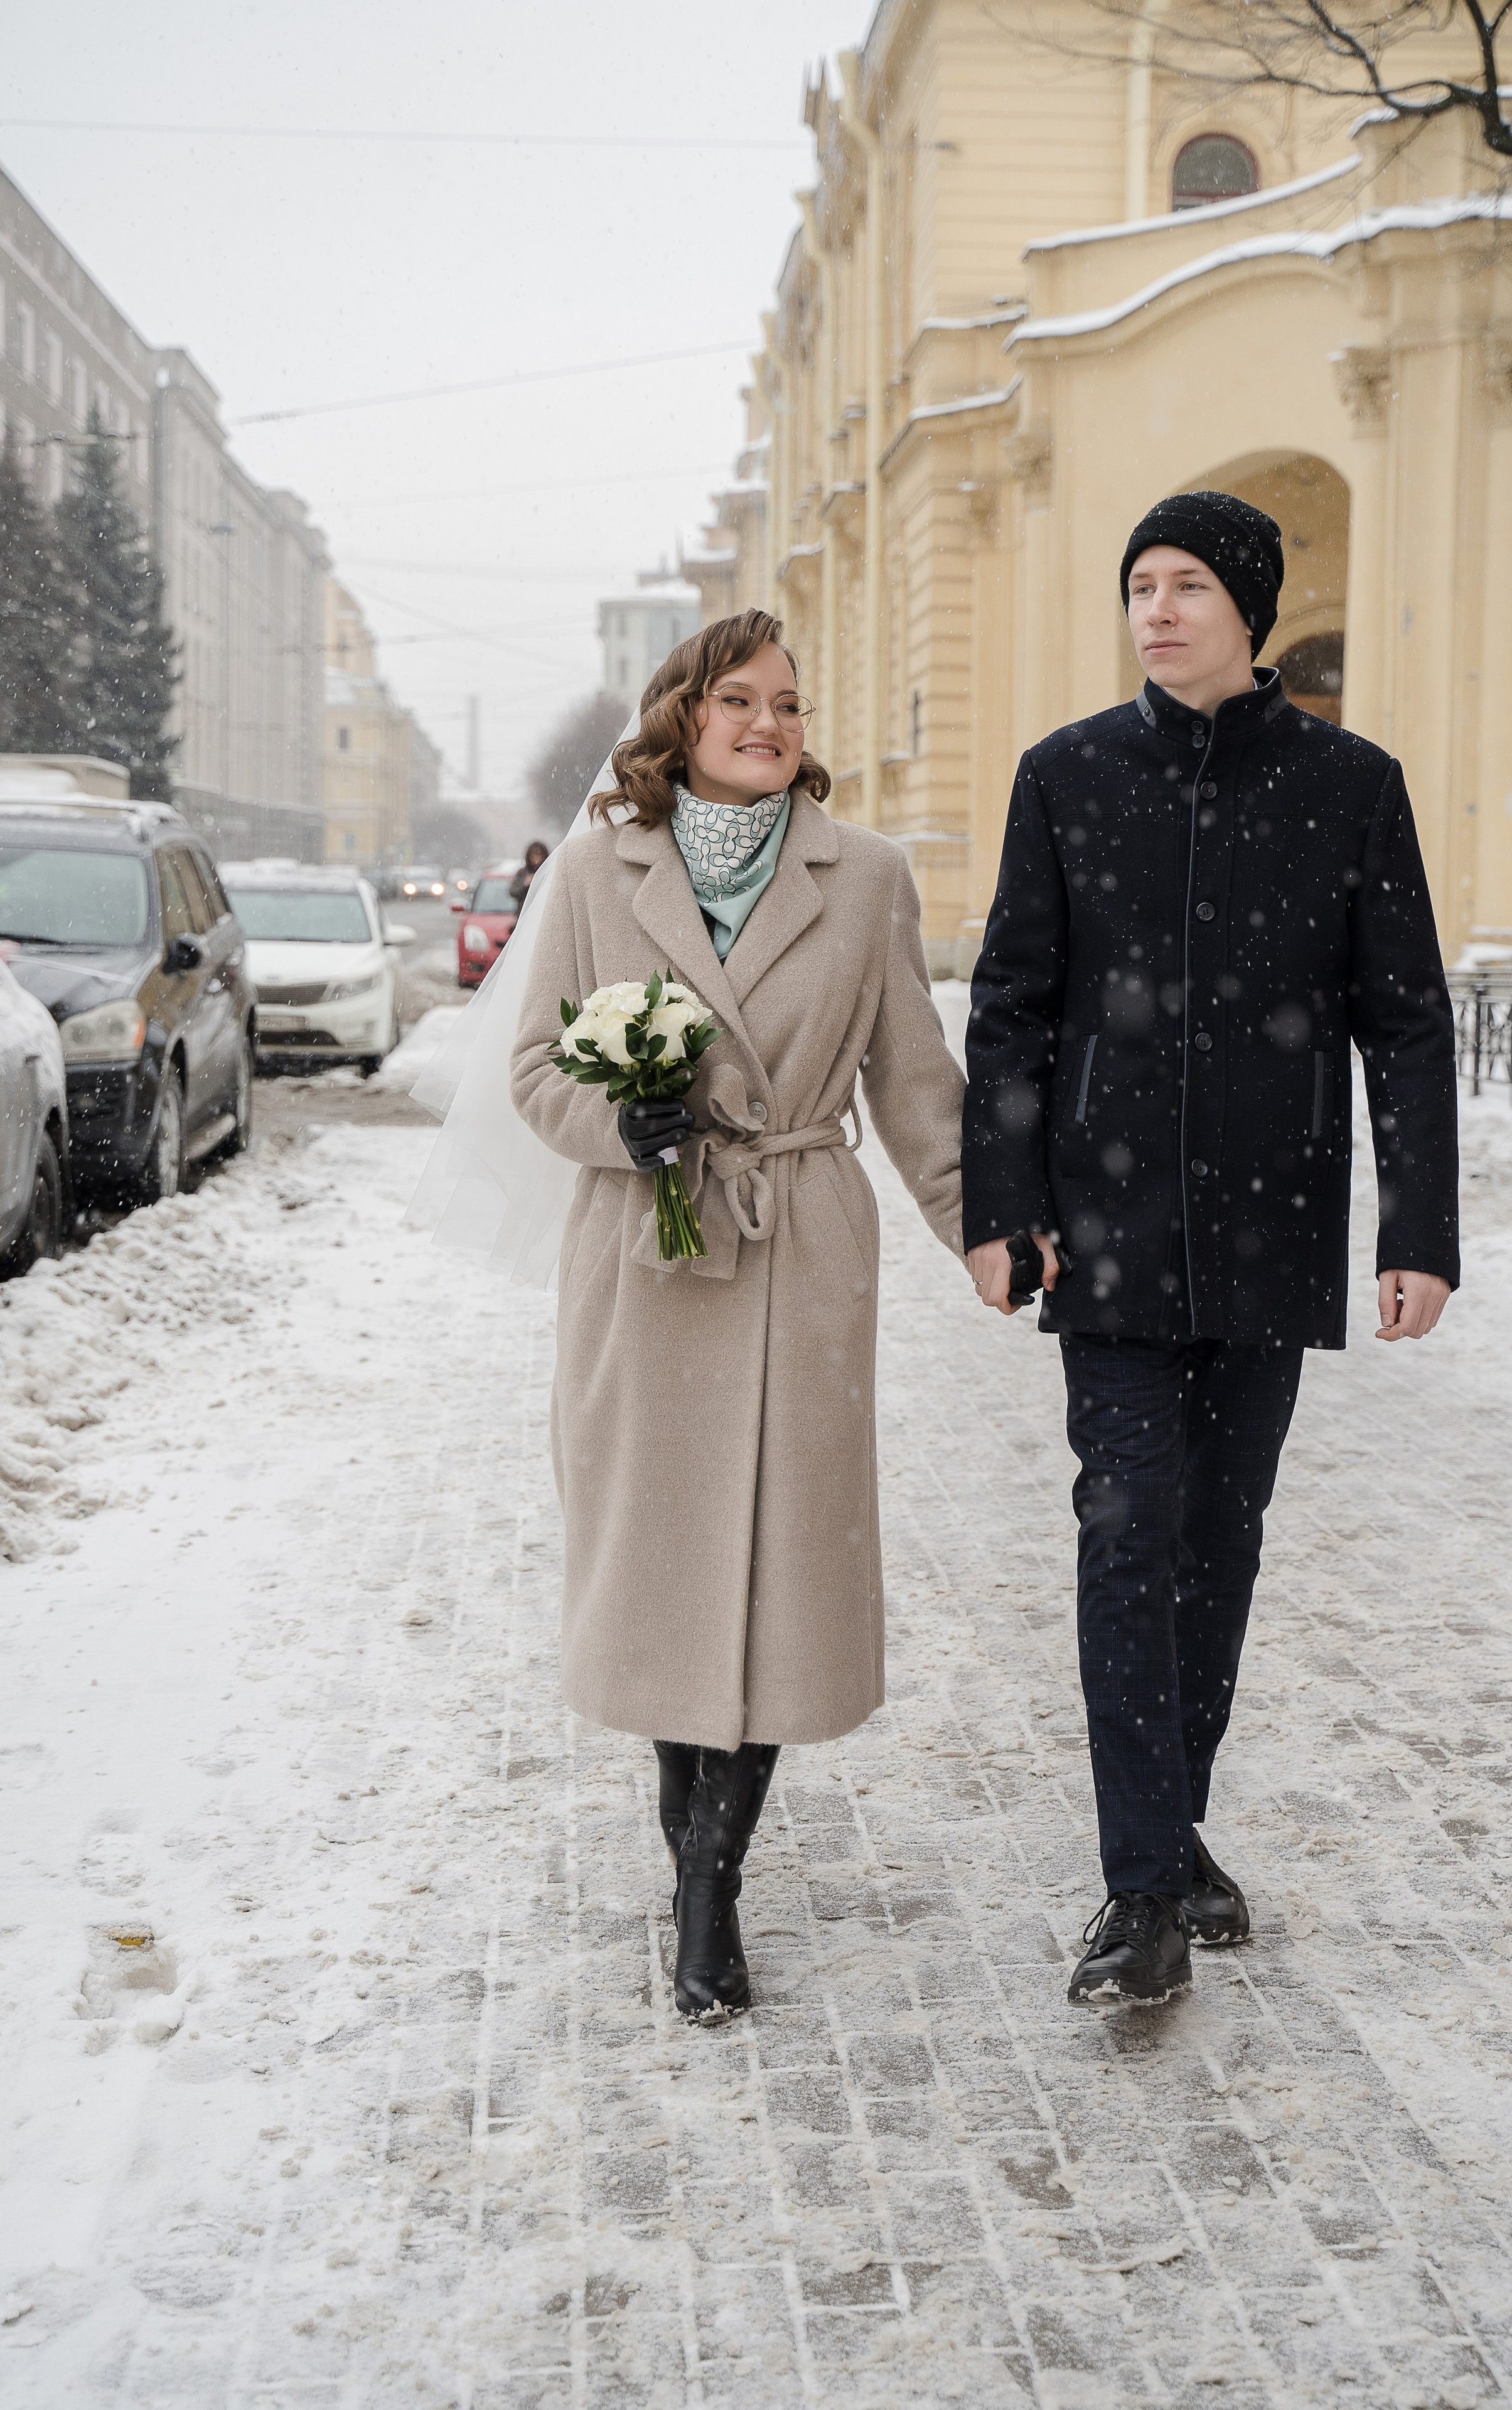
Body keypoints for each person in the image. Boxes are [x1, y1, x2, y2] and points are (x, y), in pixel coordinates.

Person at [962, 490, 1459, 2007]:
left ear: (1247, 607)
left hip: (1271, 1225)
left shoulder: (1348, 786)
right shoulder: (1065, 776)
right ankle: (1139, 1891)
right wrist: (998, 1204)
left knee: (1214, 1544)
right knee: (1123, 1529)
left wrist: (1417, 1229)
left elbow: (1405, 1017)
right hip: (1103, 1234)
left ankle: (1169, 1830)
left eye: (1185, 585)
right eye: (1138, 586)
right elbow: (1008, 1010)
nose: (1156, 609)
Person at [509, 607, 965, 2022]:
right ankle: (687, 1850)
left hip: (796, 1247)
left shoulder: (867, 874)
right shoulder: (597, 870)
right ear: (682, 720)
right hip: (645, 1261)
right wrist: (623, 1119)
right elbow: (534, 1068)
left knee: (778, 1575)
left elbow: (911, 1081)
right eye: (741, 704)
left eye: (788, 705)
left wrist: (985, 1234)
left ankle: (710, 1882)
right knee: (657, 1571)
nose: (771, 725)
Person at [508, 838, 549, 915]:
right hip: (525, 914)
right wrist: (526, 884)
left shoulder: (548, 872)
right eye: (534, 856)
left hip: (543, 913)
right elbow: (513, 892)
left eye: (539, 856)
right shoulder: (522, 873)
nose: (536, 860)